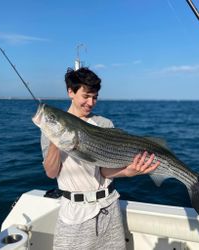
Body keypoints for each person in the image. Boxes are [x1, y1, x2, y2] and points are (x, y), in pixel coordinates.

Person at [41, 67, 160, 250]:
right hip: (74, 214)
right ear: (70, 92)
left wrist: (129, 172)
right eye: (86, 96)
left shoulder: (104, 124)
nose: (91, 102)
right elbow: (51, 172)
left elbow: (104, 170)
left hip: (109, 208)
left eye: (95, 97)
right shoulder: (51, 128)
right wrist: (56, 139)